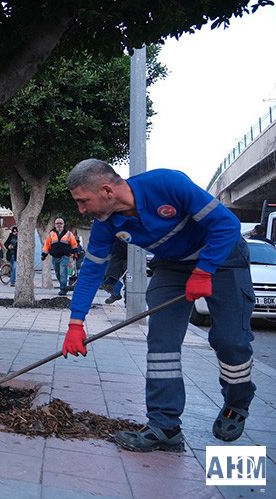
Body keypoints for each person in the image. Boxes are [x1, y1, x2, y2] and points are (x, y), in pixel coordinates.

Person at [62, 158, 255, 452]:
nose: (81, 209)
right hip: (173, 266)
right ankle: (164, 425)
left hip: (223, 257)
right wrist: (76, 322)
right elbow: (92, 271)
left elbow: (227, 224)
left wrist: (204, 271)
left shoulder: (167, 185)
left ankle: (237, 402)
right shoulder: (106, 224)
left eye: (83, 201)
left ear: (106, 191)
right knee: (161, 344)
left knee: (230, 341)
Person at [41, 217, 79, 295]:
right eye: (57, 223)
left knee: (63, 273)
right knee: (58, 273)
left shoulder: (69, 234)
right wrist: (43, 255)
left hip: (64, 257)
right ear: (55, 225)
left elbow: (74, 244)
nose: (59, 225)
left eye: (60, 223)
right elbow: (47, 245)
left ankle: (63, 289)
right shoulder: (51, 234)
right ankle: (64, 286)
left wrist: (75, 253)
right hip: (54, 257)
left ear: (63, 224)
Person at [101, 237, 127, 304]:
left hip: (130, 255)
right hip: (116, 254)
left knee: (129, 281)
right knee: (110, 277)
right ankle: (115, 294)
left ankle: (128, 301)